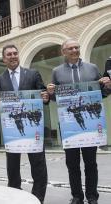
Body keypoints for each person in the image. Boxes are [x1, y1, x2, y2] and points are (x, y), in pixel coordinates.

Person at [47, 39, 111, 204]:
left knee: (91, 163)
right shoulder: (56, 71)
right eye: (71, 48)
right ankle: (77, 196)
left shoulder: (92, 68)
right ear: (64, 52)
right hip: (69, 125)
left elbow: (102, 93)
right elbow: (55, 98)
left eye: (77, 47)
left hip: (90, 124)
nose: (75, 50)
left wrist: (107, 85)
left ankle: (92, 196)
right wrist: (50, 92)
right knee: (72, 164)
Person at [0, 44, 49, 204]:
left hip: (33, 129)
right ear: (4, 59)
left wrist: (45, 97)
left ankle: (37, 199)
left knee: (38, 166)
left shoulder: (33, 74)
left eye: (15, 53)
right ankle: (16, 198)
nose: (12, 56)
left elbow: (43, 93)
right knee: (13, 168)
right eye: (9, 54)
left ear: (19, 55)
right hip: (12, 132)